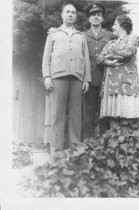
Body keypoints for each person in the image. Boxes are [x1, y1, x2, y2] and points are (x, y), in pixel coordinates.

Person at [42, 2, 91, 158]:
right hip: (58, 78)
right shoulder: (53, 34)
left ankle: (75, 152)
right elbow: (46, 58)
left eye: (73, 12)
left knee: (76, 116)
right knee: (57, 115)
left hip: (77, 79)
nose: (70, 14)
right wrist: (47, 76)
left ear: (75, 16)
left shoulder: (80, 36)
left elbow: (86, 60)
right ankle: (56, 153)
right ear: (62, 15)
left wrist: (87, 79)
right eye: (68, 12)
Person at [96, 14, 139, 129]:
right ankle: (115, 145)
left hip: (126, 85)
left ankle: (125, 145)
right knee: (112, 118)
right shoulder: (110, 43)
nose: (113, 27)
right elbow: (99, 58)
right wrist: (109, 62)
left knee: (126, 120)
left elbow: (128, 52)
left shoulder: (133, 39)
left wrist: (109, 54)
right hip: (111, 86)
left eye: (115, 24)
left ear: (123, 25)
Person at [83, 2, 113, 139]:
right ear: (89, 18)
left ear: (102, 18)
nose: (96, 17)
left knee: (104, 114)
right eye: (93, 15)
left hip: (105, 78)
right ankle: (88, 145)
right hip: (88, 78)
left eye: (98, 15)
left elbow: (124, 40)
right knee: (88, 113)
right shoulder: (82, 35)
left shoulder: (110, 35)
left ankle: (104, 146)